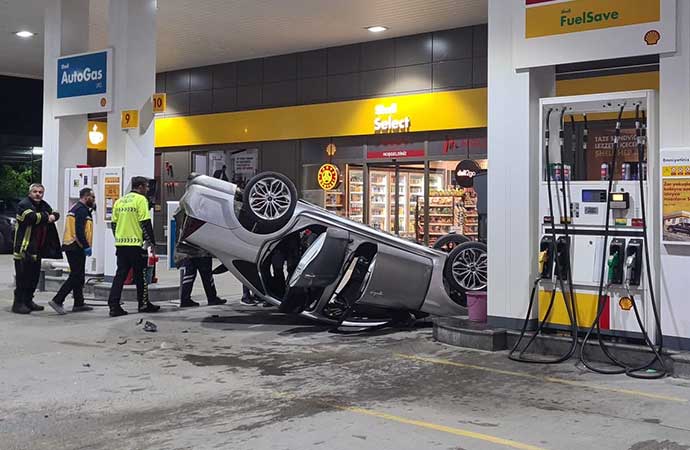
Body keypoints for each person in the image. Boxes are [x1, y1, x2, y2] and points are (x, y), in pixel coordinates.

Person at [107, 176, 160, 317]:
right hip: (136, 245)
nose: (148, 189)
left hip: (121, 244)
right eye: (147, 187)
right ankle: (143, 304)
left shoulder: (120, 201)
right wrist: (152, 243)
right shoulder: (141, 200)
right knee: (141, 275)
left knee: (120, 275)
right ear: (141, 187)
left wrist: (119, 238)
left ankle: (113, 305)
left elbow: (114, 224)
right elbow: (145, 223)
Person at [12, 183, 61, 314]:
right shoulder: (24, 204)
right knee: (23, 278)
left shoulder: (43, 205)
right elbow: (30, 218)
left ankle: (28, 300)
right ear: (30, 193)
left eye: (40, 192)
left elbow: (56, 213)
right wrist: (47, 217)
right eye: (35, 192)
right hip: (24, 248)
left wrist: (50, 216)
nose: (38, 194)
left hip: (38, 248)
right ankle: (18, 304)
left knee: (33, 278)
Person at [49, 187, 95, 314]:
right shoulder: (81, 210)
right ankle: (57, 300)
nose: (94, 200)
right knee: (75, 275)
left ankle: (79, 303)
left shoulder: (78, 208)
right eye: (93, 197)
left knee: (79, 275)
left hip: (73, 246)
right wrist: (85, 245)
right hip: (75, 246)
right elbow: (79, 230)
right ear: (86, 197)